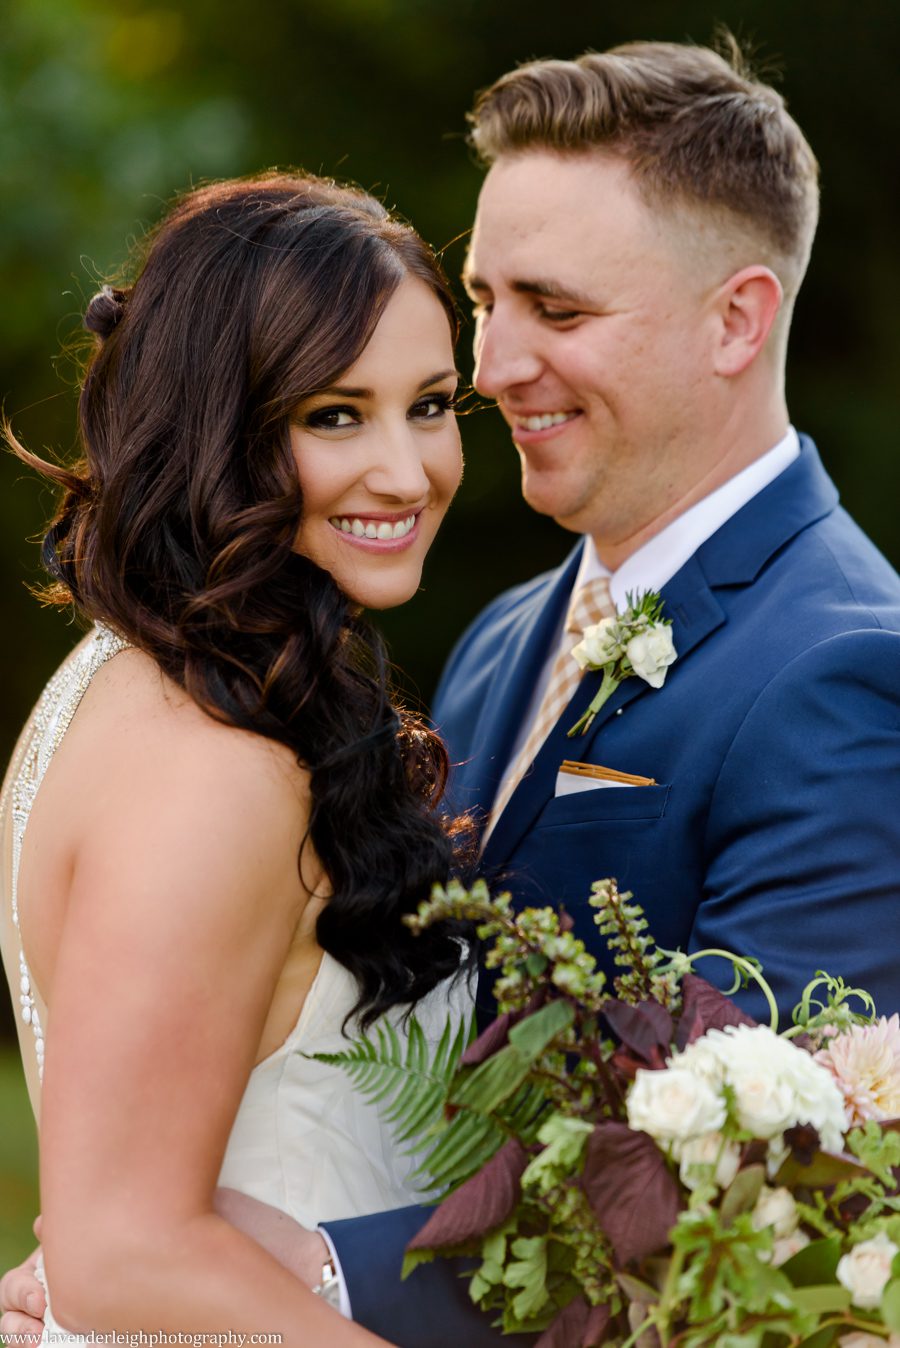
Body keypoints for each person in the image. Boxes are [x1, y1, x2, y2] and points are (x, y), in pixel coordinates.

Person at [8, 34, 900, 1348]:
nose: (490, 373)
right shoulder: (488, 643)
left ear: (738, 319)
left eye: (559, 309)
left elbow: (771, 1182)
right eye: (487, 302)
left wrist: (308, 1264)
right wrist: (132, 1249)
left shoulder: (847, 672)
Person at [0, 171, 476, 1345]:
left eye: (431, 404)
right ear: (220, 426)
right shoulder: (213, 768)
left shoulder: (139, 685)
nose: (408, 473)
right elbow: (122, 1247)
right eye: (334, 415)